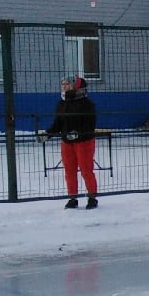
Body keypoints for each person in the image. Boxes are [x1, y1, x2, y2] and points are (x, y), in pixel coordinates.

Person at [45, 75, 100, 209]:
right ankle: (72, 198)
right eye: (62, 84)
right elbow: (57, 123)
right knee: (69, 171)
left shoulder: (87, 104)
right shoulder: (61, 103)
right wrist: (48, 134)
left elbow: (89, 124)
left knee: (86, 170)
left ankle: (92, 197)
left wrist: (77, 134)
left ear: (76, 86)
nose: (64, 86)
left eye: (67, 84)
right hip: (66, 142)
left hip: (84, 142)